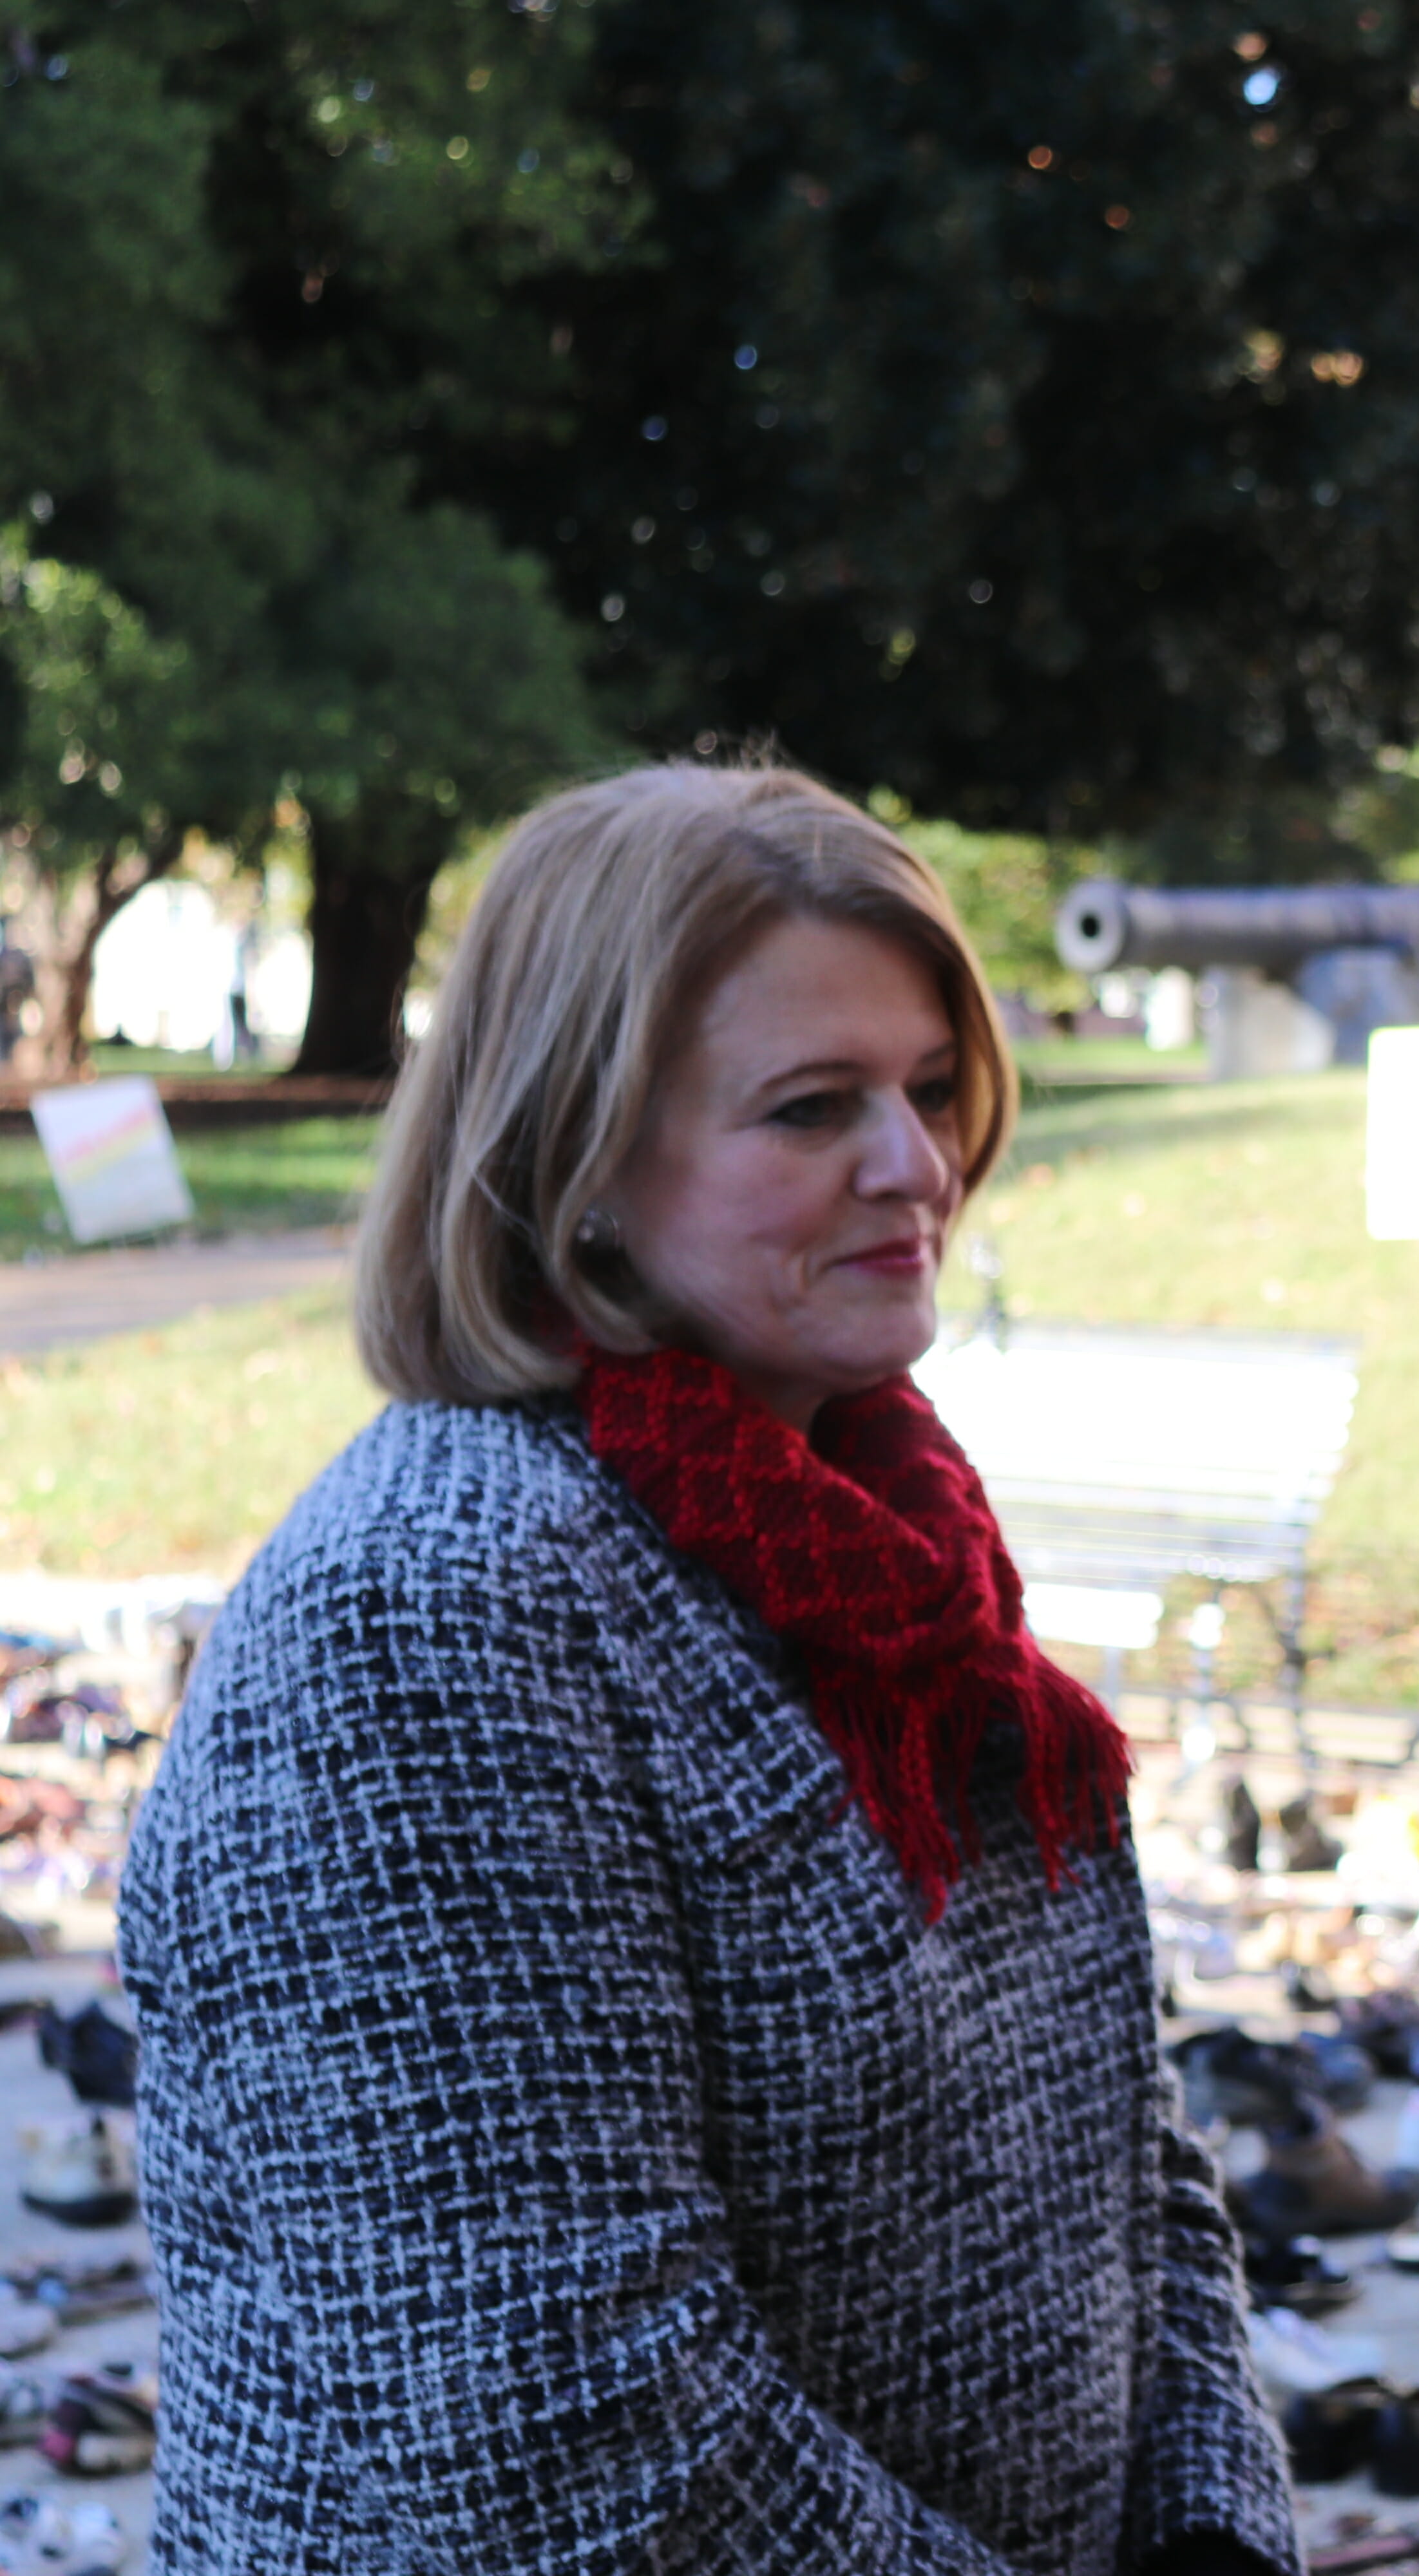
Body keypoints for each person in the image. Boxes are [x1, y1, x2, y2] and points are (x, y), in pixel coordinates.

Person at [122, 767, 1297, 2574]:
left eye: (931, 1089)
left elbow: (1125, 2168)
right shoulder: (426, 1611)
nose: (915, 1165)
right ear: (577, 1162)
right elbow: (564, 2440)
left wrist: (1216, 2531)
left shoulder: (882, 1534)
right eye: (814, 1107)